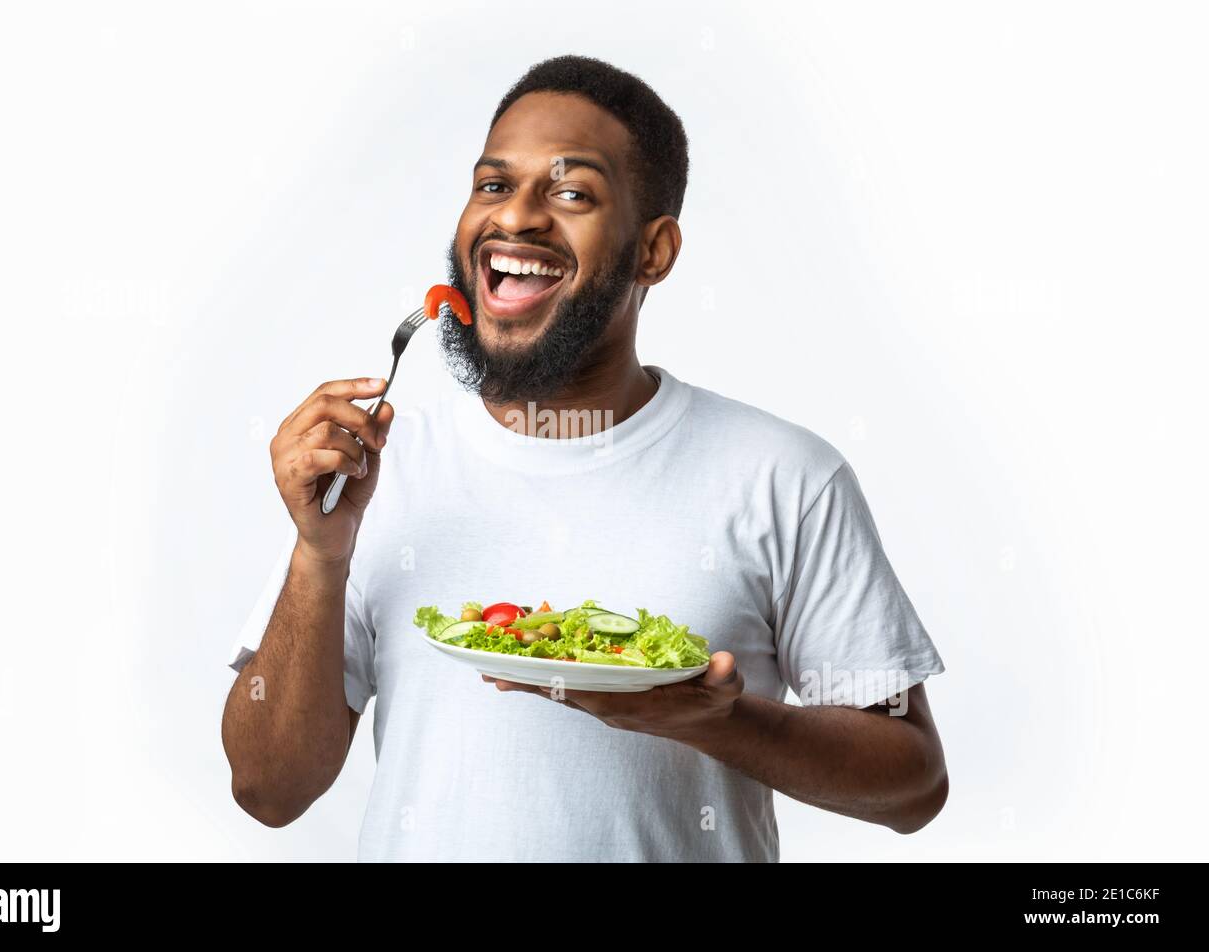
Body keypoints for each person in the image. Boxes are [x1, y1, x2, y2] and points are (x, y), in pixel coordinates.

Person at [220, 54, 948, 862]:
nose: (516, 219)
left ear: (654, 251)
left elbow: (913, 782)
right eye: (494, 185)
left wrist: (723, 724)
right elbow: (266, 789)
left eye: (571, 194)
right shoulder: (382, 475)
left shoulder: (785, 477)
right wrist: (319, 556)